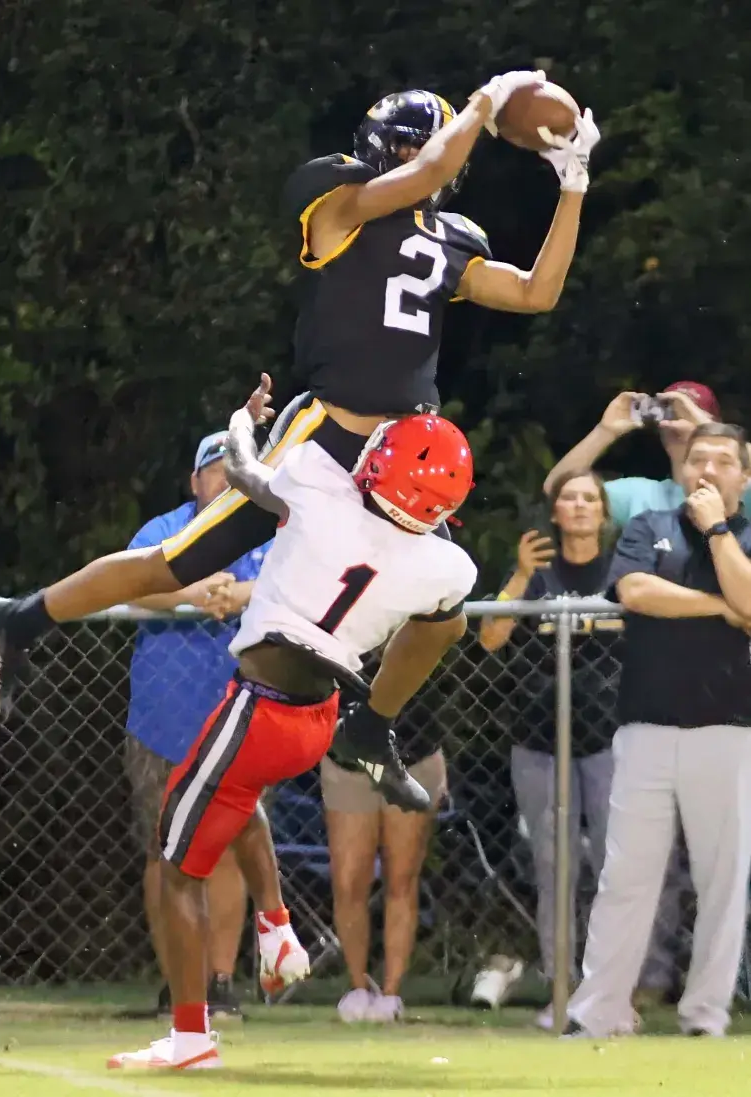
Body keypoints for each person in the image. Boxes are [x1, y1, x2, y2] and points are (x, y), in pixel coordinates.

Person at [0, 75, 600, 732]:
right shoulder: (336, 199)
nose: (427, 158)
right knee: (180, 562)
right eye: (412, 146)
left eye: (432, 147)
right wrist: (485, 102)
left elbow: (537, 292)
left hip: (403, 457)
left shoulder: (453, 235)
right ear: (382, 147)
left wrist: (573, 183)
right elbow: (429, 172)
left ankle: (370, 728)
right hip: (327, 435)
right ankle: (18, 619)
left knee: (444, 616)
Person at [107, 378, 479, 1069]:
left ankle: (190, 1036)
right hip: (319, 713)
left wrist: (243, 421)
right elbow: (443, 619)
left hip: (262, 701)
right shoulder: (446, 564)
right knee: (237, 797)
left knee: (176, 863)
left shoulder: (323, 494)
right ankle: (276, 929)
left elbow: (246, 472)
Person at [565, 422, 751, 1039]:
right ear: (681, 469)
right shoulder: (649, 526)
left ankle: (705, 1016)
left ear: (744, 477)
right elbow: (636, 590)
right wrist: (718, 607)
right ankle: (598, 1012)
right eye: (698, 459)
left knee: (721, 882)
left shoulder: (745, 536)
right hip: (645, 725)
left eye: (723, 461)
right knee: (626, 876)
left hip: (728, 727)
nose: (707, 471)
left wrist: (718, 532)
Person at [477, 471, 672, 1026]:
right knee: (554, 869)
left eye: (590, 498)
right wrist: (519, 576)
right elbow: (490, 639)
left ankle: (615, 993)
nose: (580, 505)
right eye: (570, 497)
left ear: (604, 513)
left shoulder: (623, 572)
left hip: (610, 739)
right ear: (556, 511)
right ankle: (561, 992)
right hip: (539, 740)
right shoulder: (536, 571)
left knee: (617, 868)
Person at [124, 429, 272, 1021]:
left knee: (233, 848)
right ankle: (177, 983)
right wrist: (195, 593)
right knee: (163, 853)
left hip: (242, 717)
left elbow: (293, 586)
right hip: (162, 721)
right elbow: (135, 586)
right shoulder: (165, 531)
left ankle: (220, 981)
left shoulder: (268, 533)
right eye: (216, 469)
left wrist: (237, 594)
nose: (226, 479)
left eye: (236, 470)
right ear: (195, 481)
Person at [322, 671, 449, 1024]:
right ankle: (358, 986)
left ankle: (391, 994)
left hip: (413, 754)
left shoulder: (419, 636)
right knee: (348, 881)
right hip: (347, 761)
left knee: (401, 878)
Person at [543, 381, 751, 519]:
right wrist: (604, 431)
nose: (676, 423)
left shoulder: (739, 488)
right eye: (669, 413)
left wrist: (705, 429)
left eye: (687, 413)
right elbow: (556, 489)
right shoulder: (641, 495)